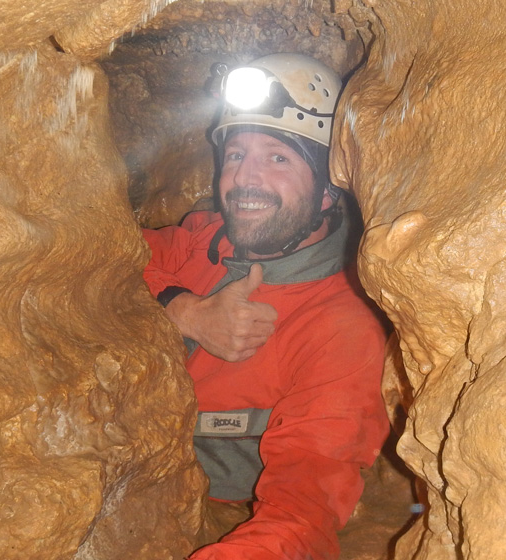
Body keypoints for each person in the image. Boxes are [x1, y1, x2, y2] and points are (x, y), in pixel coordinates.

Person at [141, 53, 388, 560]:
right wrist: (183, 309)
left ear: (326, 192)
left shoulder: (344, 326)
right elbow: (93, 256)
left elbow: (306, 501)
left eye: (278, 158)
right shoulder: (203, 240)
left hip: (222, 514)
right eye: (236, 155)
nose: (245, 179)